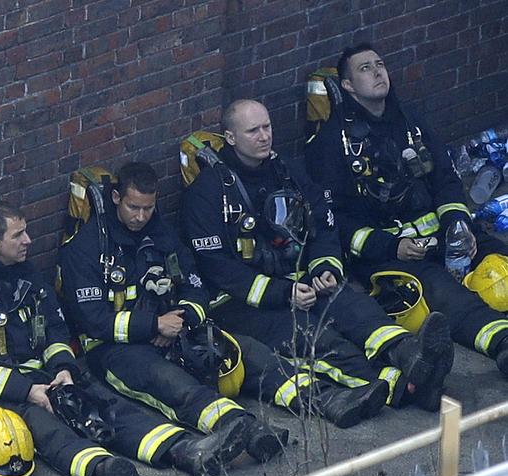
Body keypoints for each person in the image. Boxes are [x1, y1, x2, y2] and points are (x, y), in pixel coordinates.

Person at [0, 201, 254, 476]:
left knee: (104, 405)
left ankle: (186, 452)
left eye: (26, 231)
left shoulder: (24, 274)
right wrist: (27, 391)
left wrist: (64, 369)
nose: (28, 240)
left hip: (45, 376)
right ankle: (104, 471)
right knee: (43, 426)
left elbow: (54, 329)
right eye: (18, 236)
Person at [59, 162, 390, 433]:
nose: (141, 217)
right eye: (133, 207)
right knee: (171, 383)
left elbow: (194, 285)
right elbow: (94, 321)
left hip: (175, 327)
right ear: (116, 198)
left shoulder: (162, 234)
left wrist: (182, 318)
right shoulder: (85, 249)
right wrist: (153, 325)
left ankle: (330, 401)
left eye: (148, 208)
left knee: (250, 354)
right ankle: (242, 429)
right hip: (117, 348)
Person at [180, 99, 454, 412]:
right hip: (246, 304)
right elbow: (217, 268)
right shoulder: (207, 193)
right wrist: (283, 293)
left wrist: (325, 267)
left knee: (355, 308)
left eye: (267, 127)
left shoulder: (287, 170)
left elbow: (323, 221)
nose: (264, 136)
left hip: (301, 281)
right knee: (318, 340)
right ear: (230, 138)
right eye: (253, 130)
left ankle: (408, 352)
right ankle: (404, 386)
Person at [305, 43, 508, 376]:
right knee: (448, 298)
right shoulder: (330, 145)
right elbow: (334, 219)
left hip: (444, 237)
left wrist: (458, 223)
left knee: (499, 262)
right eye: (365, 68)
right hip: (391, 254)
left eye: (380, 64)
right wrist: (391, 246)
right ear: (348, 86)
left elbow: (445, 178)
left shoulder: (410, 122)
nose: (378, 72)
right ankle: (502, 343)